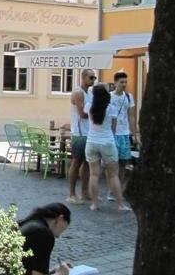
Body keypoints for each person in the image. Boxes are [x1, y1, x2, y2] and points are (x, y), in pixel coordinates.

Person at [84, 84, 131, 211]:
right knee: (113, 175)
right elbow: (114, 127)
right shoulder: (111, 108)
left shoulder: (89, 107)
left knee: (93, 175)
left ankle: (94, 204)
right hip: (107, 142)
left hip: (91, 142)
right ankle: (120, 205)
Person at [18, 203, 72, 275]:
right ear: (61, 219)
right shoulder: (44, 234)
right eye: (62, 230)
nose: (58, 236)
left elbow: (29, 268)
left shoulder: (25, 224)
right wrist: (61, 273)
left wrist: (53, 270)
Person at [67, 69, 95, 204]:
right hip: (79, 133)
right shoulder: (78, 93)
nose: (93, 80)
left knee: (87, 163)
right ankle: (72, 194)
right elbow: (82, 114)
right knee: (76, 162)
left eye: (94, 78)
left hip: (89, 132)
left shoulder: (90, 93)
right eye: (91, 77)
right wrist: (97, 113)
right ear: (83, 78)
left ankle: (85, 192)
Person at [108, 71, 137, 199]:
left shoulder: (129, 97)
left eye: (125, 82)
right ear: (115, 83)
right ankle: (111, 190)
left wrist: (134, 134)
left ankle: (117, 189)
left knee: (123, 163)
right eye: (121, 82)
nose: (124, 84)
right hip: (113, 134)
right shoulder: (109, 97)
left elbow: (131, 116)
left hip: (124, 133)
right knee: (113, 164)